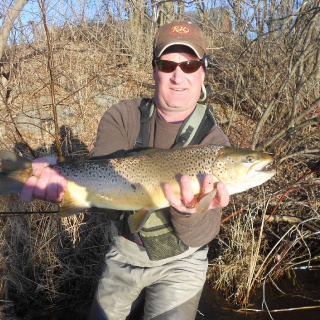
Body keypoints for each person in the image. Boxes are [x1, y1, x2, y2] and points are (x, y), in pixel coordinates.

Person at [21, 21, 230, 320]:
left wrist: (187, 212)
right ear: (154, 70)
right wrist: (68, 184)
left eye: (190, 65)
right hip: (125, 254)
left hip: (183, 261)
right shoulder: (122, 116)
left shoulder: (215, 144)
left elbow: (203, 235)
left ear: (203, 71)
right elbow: (102, 183)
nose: (177, 76)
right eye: (167, 65)